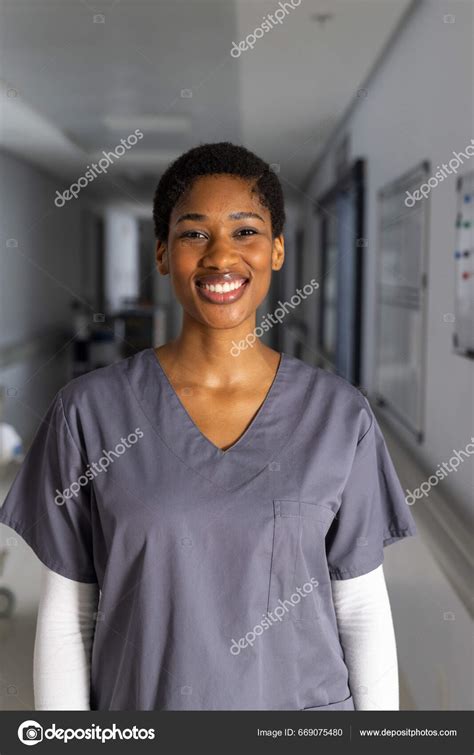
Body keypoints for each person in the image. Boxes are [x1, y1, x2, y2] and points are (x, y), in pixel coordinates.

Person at [0, 142, 417, 711]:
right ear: (163, 254)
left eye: (245, 231)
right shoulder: (88, 413)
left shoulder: (340, 418)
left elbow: (361, 609)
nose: (221, 256)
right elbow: (71, 617)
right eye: (194, 233)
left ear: (276, 251)